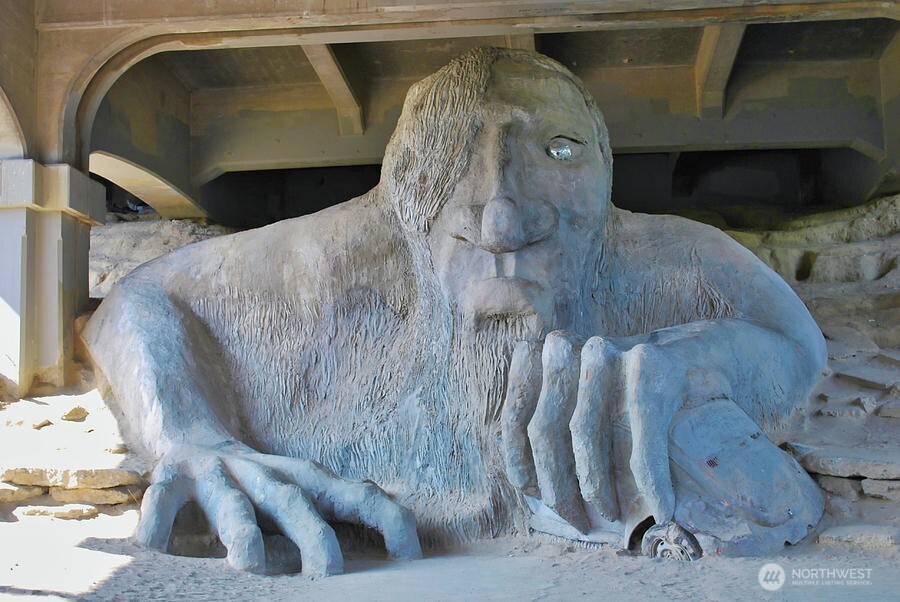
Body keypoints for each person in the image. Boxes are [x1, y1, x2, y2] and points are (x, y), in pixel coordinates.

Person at [84, 47, 826, 576]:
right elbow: (139, 300)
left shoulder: (660, 256)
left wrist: (701, 355)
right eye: (451, 151)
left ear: (606, 173)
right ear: (400, 185)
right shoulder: (342, 253)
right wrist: (183, 432)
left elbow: (797, 343)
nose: (501, 218)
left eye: (560, 151)